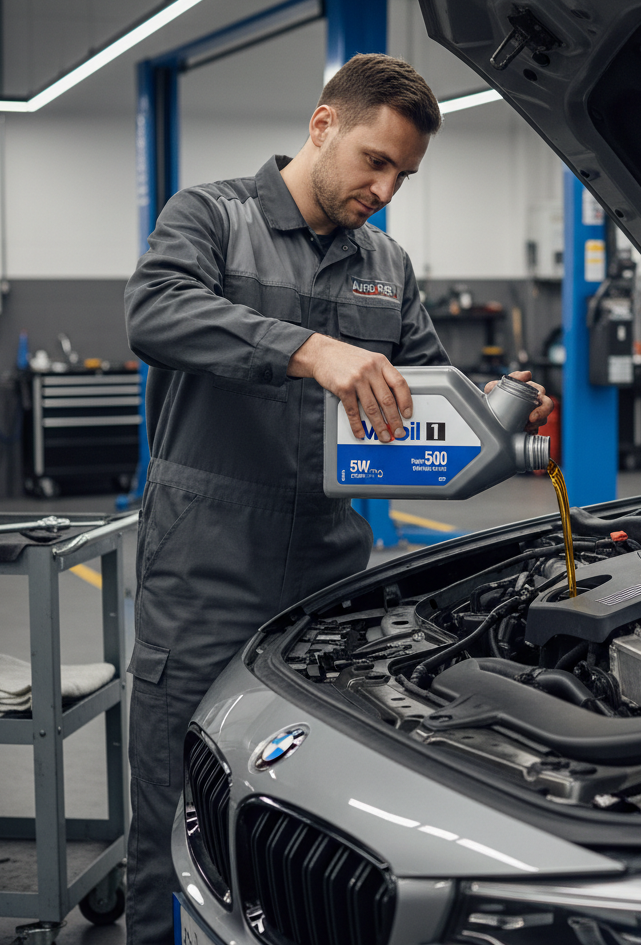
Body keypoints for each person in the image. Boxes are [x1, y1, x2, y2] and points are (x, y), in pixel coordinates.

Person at [122, 53, 551, 945]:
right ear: (323, 126)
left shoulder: (385, 265)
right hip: (207, 560)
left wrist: (498, 412)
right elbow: (154, 312)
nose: (386, 189)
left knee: (303, 793)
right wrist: (309, 349)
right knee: (173, 812)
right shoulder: (212, 216)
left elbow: (431, 392)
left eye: (404, 174)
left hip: (328, 567)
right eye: (374, 161)